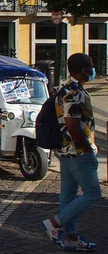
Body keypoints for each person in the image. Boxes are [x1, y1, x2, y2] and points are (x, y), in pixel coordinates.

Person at [43, 53, 101, 251]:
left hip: (65, 150)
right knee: (93, 193)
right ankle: (55, 223)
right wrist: (86, 147)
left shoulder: (65, 88)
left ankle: (72, 237)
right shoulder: (74, 92)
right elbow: (72, 124)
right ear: (85, 69)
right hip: (77, 152)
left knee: (68, 195)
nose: (93, 68)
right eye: (91, 65)